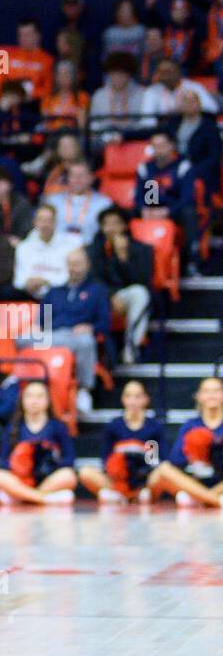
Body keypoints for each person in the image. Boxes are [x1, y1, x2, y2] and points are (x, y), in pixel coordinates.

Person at [36, 248, 111, 413]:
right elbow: (41, 320)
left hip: (76, 336)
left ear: (87, 265)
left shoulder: (97, 290)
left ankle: (84, 390)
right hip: (52, 335)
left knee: (86, 341)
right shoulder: (54, 291)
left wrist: (91, 327)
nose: (73, 268)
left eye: (77, 264)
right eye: (70, 264)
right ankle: (22, 382)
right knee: (21, 339)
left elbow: (105, 323)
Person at [0, 380, 77, 505]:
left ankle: (24, 496)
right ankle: (41, 499)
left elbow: (69, 458)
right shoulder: (13, 427)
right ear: (22, 400)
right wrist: (18, 467)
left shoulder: (58, 426)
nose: (34, 401)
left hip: (48, 479)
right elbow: (3, 459)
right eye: (29, 396)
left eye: (39, 396)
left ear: (47, 400)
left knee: (68, 476)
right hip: (20, 479)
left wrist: (51, 465)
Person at [78, 379, 164, 505]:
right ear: (123, 399)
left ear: (146, 399)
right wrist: (118, 469)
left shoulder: (154, 427)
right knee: (85, 472)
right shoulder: (113, 426)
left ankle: (128, 496)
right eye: (128, 396)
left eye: (137, 396)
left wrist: (141, 470)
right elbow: (105, 459)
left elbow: (157, 461)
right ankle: (122, 494)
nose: (133, 401)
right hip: (117, 480)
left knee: (162, 474)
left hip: (143, 480)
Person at [149, 376, 223, 508]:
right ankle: (213, 499)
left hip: (220, 482)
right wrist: (194, 450)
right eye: (207, 391)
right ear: (199, 396)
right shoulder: (190, 425)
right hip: (194, 481)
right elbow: (175, 461)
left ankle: (201, 497)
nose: (212, 395)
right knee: (163, 470)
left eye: (216, 390)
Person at [90, 208, 153, 362]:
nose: (111, 228)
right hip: (101, 296)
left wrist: (123, 257)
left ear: (124, 226)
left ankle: (131, 348)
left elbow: (143, 281)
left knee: (140, 293)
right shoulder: (93, 250)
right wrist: (110, 295)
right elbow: (92, 279)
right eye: (106, 224)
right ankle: (101, 354)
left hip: (128, 295)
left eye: (115, 223)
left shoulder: (142, 249)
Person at [135, 130, 201, 275]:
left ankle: (191, 260)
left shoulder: (183, 166)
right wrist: (144, 209)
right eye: (155, 146)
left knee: (189, 213)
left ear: (171, 146)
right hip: (154, 207)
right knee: (124, 213)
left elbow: (187, 197)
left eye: (162, 145)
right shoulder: (146, 168)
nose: (159, 150)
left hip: (175, 209)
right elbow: (142, 197)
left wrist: (168, 211)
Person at [44, 161, 113, 245]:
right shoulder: (53, 201)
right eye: (73, 175)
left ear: (91, 178)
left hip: (89, 250)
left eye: (81, 175)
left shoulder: (104, 203)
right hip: (56, 249)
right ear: (67, 178)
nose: (77, 179)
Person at [12, 203, 71, 298]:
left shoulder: (67, 246)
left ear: (55, 222)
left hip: (56, 294)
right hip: (28, 294)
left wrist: (46, 281)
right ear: (34, 222)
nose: (45, 224)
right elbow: (18, 280)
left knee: (53, 300)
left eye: (49, 220)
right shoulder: (23, 247)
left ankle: (46, 312)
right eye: (41, 220)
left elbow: (68, 277)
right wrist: (28, 282)